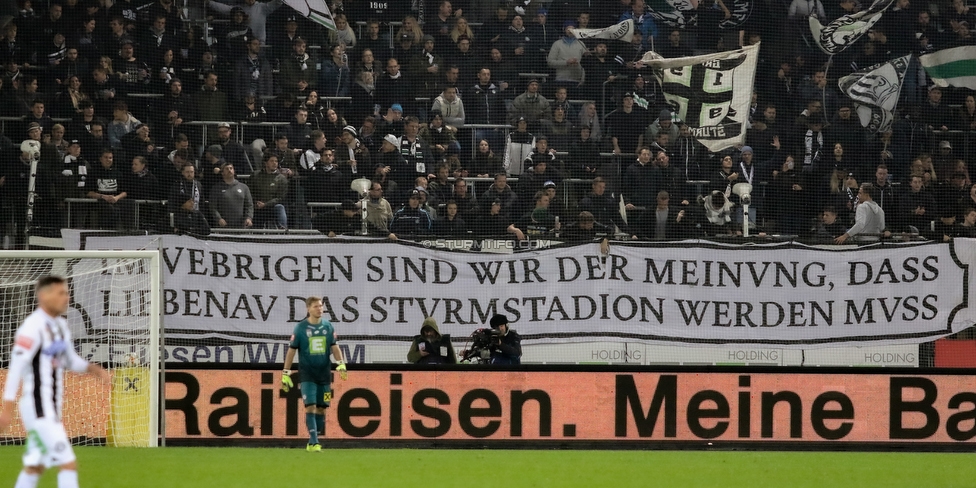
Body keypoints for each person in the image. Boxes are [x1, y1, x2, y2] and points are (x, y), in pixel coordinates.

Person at [1, 275, 110, 488]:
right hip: (38, 410)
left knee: (35, 467)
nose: (66, 298)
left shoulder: (60, 326)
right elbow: (16, 368)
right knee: (68, 464)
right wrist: (6, 409)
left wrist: (93, 369)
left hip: (51, 407)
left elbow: (71, 361)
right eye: (61, 293)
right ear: (44, 295)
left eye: (67, 293)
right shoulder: (32, 327)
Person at [281, 296, 347, 452]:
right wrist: (286, 372)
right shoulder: (300, 328)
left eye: (321, 306)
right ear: (308, 309)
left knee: (322, 408)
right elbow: (291, 350)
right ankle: (315, 442)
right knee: (310, 406)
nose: (320, 309)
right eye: (316, 306)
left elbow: (334, 346)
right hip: (307, 374)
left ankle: (312, 443)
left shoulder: (328, 326)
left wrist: (341, 363)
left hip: (324, 374)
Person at [167, 163, 211, 235]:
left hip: (196, 217)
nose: (189, 174)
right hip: (180, 217)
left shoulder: (199, 185)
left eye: (191, 172)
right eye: (187, 172)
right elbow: (172, 203)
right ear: (182, 172)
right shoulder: (176, 185)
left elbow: (202, 203)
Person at [210, 162, 254, 228]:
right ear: (222, 173)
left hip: (241, 227)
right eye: (227, 169)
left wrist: (249, 218)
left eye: (231, 168)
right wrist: (218, 219)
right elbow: (212, 206)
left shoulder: (244, 187)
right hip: (223, 227)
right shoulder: (216, 188)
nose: (229, 170)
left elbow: (249, 205)